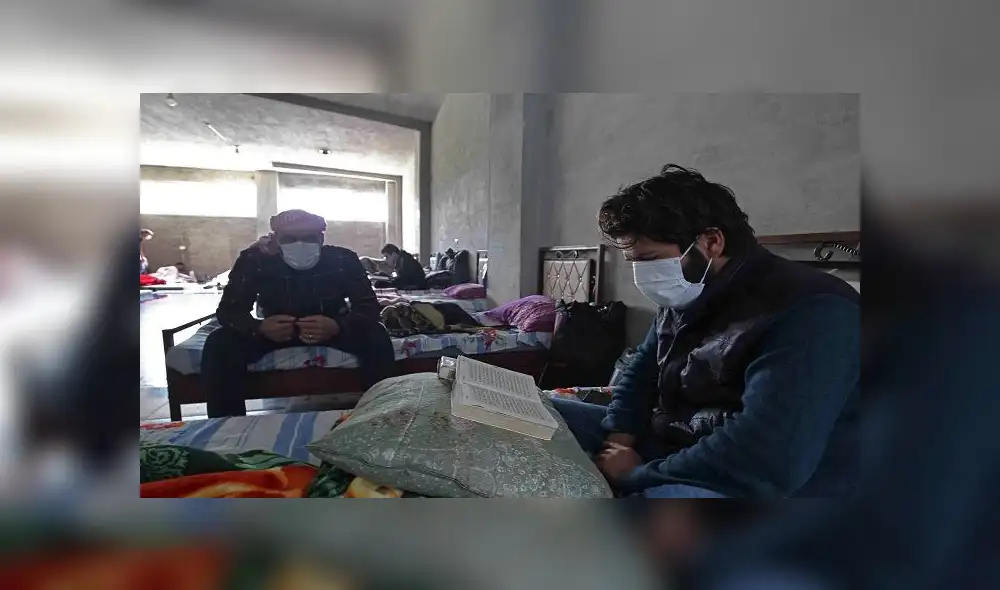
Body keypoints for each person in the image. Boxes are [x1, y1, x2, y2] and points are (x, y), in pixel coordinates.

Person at [550, 164, 860, 498]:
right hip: (673, 443)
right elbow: (642, 369)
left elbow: (766, 455)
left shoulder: (813, 311)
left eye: (651, 258)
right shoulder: (691, 290)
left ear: (711, 241)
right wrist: (618, 435)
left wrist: (635, 474)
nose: (642, 275)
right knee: (540, 414)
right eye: (634, 261)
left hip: (752, 479)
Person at [201, 209, 395, 418]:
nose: (299, 244)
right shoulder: (254, 260)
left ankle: (382, 418)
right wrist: (259, 328)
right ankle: (226, 425)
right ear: (276, 240)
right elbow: (229, 311)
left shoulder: (343, 259)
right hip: (273, 334)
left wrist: (338, 326)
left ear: (321, 239)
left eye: (308, 238)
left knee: (377, 336)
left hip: (333, 328)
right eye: (289, 239)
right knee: (219, 343)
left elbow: (368, 307)